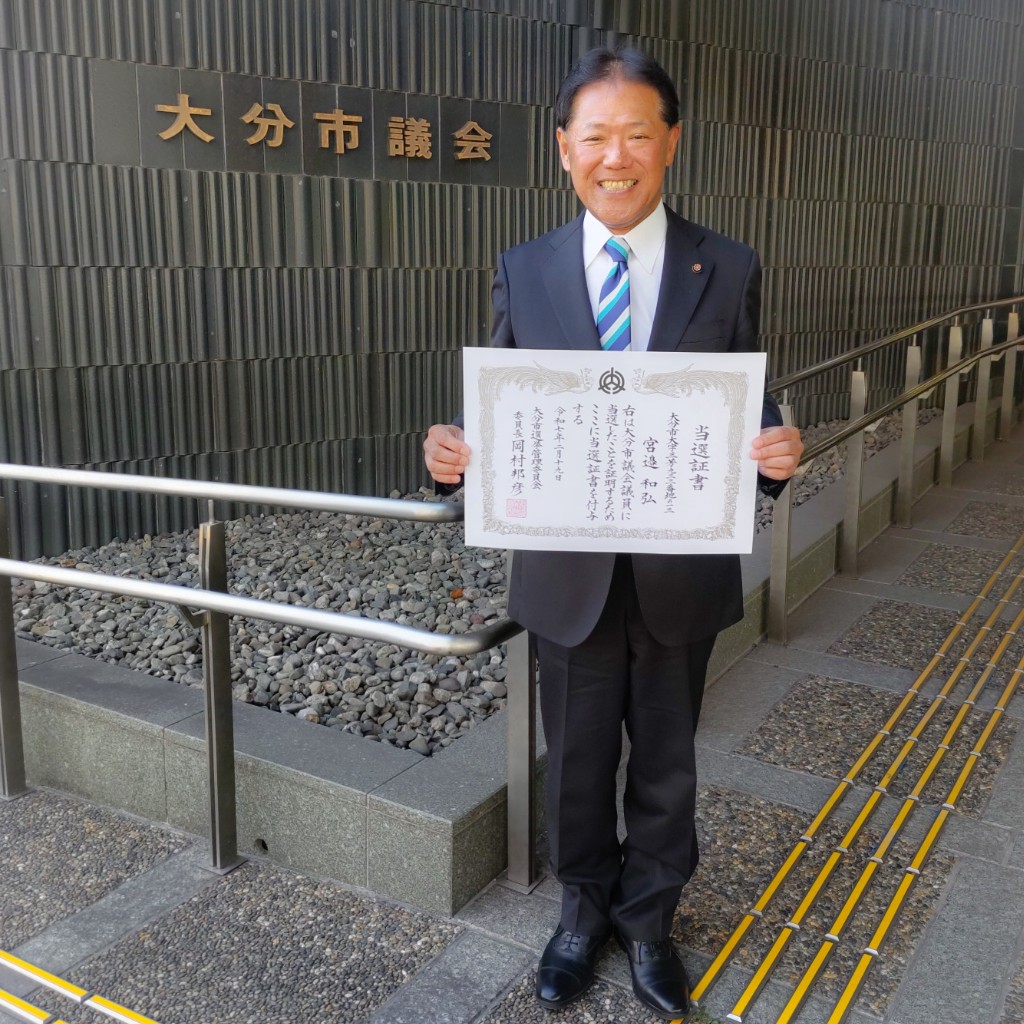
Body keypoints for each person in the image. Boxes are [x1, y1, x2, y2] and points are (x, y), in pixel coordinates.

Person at [423, 45, 803, 1020]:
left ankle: (648, 923)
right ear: (564, 148)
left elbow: (747, 401)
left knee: (668, 765)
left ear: (670, 142)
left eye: (638, 134)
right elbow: (503, 404)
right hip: (567, 577)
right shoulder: (526, 268)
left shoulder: (728, 266)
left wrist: (772, 452)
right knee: (578, 763)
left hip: (681, 573)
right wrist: (455, 455)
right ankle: (580, 914)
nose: (616, 156)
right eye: (596, 136)